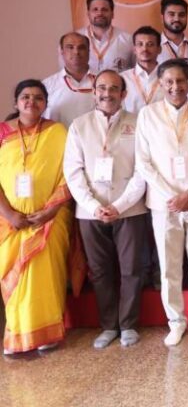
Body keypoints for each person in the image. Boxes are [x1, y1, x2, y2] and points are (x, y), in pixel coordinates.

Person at [63, 70, 148, 348]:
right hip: (90, 213)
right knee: (100, 270)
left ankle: (128, 325)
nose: (107, 93)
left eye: (114, 88)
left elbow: (143, 170)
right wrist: (94, 206)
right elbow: (73, 172)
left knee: (130, 269)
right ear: (94, 91)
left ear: (123, 94)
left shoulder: (138, 124)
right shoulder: (79, 126)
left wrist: (120, 205)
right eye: (101, 88)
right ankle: (109, 325)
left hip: (130, 209)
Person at [135, 59, 188, 346]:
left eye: (180, 81)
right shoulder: (147, 115)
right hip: (163, 203)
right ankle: (176, 321)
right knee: (169, 266)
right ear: (160, 84)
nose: (175, 87)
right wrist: (170, 194)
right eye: (168, 81)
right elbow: (143, 162)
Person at [0, 80, 76, 354]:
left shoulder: (58, 132)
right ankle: (17, 333)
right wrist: (8, 213)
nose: (31, 102)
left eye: (38, 98)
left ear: (46, 103)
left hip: (51, 217)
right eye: (25, 97)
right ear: (16, 102)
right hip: (9, 223)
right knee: (16, 278)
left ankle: (48, 333)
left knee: (46, 274)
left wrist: (51, 210)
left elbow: (70, 172)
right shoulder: (2, 133)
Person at [43, 32, 96, 127]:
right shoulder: (47, 86)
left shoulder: (104, 81)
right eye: (70, 47)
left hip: (98, 140)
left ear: (89, 51)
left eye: (82, 47)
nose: (76, 52)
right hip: (61, 140)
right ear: (62, 51)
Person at [74, 0, 134, 72]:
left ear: (112, 14)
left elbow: (135, 73)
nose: (99, 13)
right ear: (88, 14)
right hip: (85, 85)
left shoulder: (128, 40)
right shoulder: (75, 39)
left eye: (104, 10)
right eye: (95, 9)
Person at [120, 26, 164, 113]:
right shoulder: (122, 78)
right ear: (134, 49)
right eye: (140, 44)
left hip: (161, 126)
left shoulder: (168, 77)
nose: (145, 49)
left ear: (159, 49)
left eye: (150, 44)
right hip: (131, 125)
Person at [157, 0, 188, 68]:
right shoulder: (154, 47)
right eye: (171, 14)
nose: (177, 19)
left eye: (181, 15)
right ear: (162, 18)